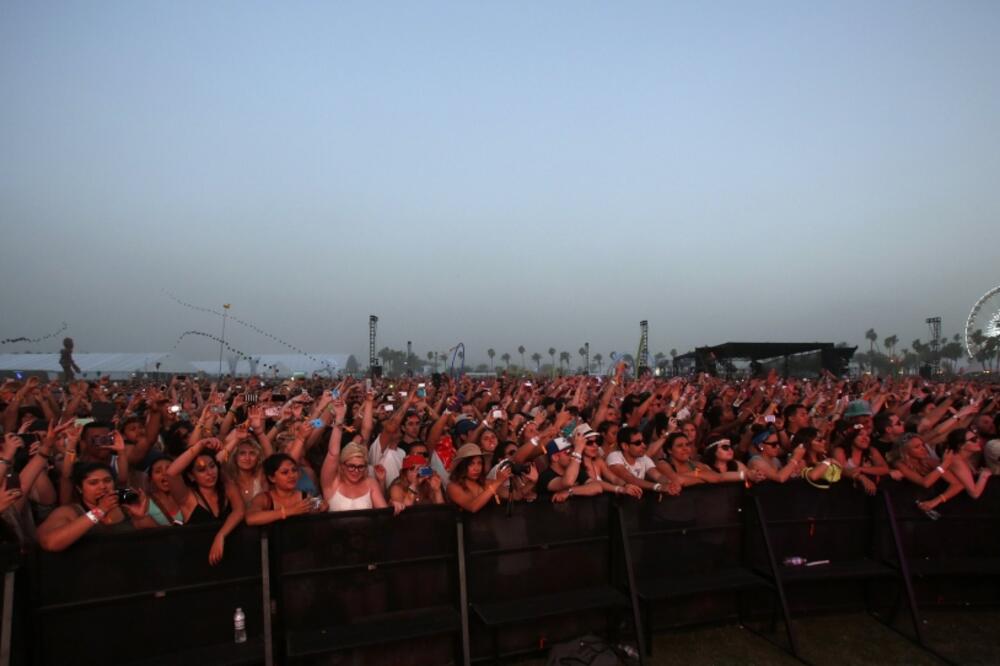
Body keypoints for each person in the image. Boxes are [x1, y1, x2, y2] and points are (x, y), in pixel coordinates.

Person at [37, 462, 156, 551]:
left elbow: (157, 540)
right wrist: (99, 511)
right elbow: (50, 543)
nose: (103, 486)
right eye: (93, 483)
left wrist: (141, 517)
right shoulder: (70, 511)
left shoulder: (125, 508)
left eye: (107, 480)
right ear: (79, 488)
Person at [165, 438, 245, 564]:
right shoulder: (188, 497)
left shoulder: (227, 487)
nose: (210, 473)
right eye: (201, 470)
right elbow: (171, 473)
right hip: (198, 562)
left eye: (212, 466)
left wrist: (221, 535)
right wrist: (200, 445)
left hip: (233, 558)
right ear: (191, 476)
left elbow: (239, 511)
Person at [320, 412, 388, 512]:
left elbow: (383, 514)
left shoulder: (370, 483)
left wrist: (394, 506)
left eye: (361, 467)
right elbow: (333, 454)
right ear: (342, 465)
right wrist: (339, 417)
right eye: (351, 466)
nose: (356, 471)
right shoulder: (332, 483)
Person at [246, 453, 326, 525]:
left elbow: (321, 505)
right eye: (285, 472)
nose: (292, 475)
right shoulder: (264, 498)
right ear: (272, 478)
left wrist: (322, 506)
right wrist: (290, 511)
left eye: (294, 470)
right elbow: (250, 518)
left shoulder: (304, 496)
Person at [606, 427, 680, 496]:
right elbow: (630, 479)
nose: (644, 446)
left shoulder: (643, 458)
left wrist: (670, 484)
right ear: (625, 446)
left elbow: (658, 476)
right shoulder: (614, 456)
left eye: (643, 441)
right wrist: (658, 487)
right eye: (638, 443)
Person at [446, 443, 512, 512]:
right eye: (471, 464)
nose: (476, 468)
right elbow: (472, 507)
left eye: (479, 463)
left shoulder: (486, 482)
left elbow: (514, 496)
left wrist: (515, 477)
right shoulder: (452, 487)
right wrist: (497, 482)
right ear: (462, 466)